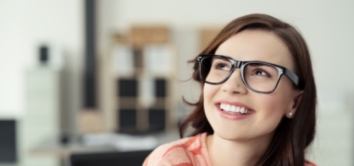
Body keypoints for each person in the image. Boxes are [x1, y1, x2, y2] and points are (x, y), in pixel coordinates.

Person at [143, 13, 317, 166]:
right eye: (222, 66)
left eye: (260, 72)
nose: (231, 86)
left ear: (295, 103)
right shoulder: (168, 162)